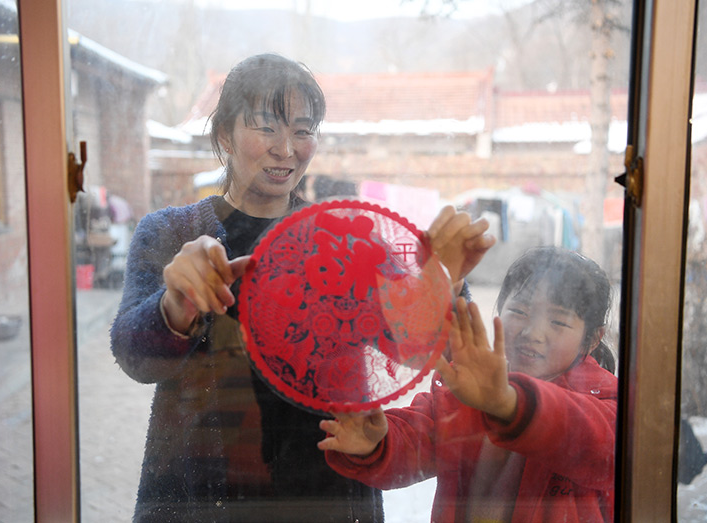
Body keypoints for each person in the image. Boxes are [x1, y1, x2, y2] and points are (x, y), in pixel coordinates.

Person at [110, 52, 494, 522]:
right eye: (266, 127)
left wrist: (440, 280)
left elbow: (422, 349)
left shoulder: (347, 237)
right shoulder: (171, 233)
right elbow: (135, 358)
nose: (286, 148)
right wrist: (175, 305)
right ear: (224, 134)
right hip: (201, 492)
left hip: (326, 491)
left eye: (303, 130)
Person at [319, 246, 618, 522]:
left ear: (592, 339)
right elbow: (416, 441)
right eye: (519, 312)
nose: (532, 332)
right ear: (499, 310)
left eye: (558, 322)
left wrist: (507, 403)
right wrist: (377, 443)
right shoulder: (468, 387)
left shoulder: (608, 401)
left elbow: (593, 442)